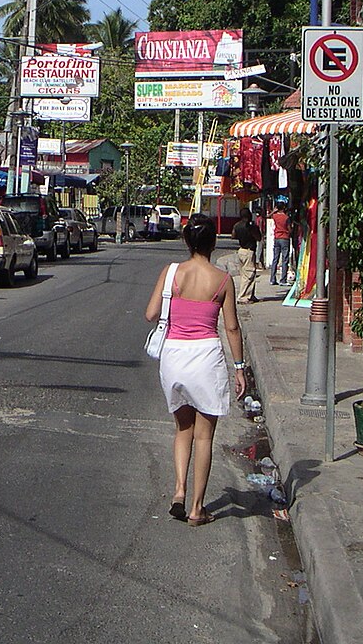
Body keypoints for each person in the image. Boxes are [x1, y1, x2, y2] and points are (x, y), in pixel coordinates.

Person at [145, 214, 246, 526]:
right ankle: (197, 508)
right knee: (205, 436)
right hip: (206, 358)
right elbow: (231, 328)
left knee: (182, 429)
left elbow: (151, 314)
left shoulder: (172, 272)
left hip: (174, 357)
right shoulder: (223, 280)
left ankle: (178, 490)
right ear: (213, 243)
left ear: (187, 241)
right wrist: (240, 368)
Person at [232, 209, 260, 303]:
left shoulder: (237, 225)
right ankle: (243, 297)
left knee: (245, 274)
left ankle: (251, 295)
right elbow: (258, 237)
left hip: (241, 250)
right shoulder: (251, 226)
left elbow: (233, 236)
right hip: (249, 251)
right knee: (248, 275)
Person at [269, 202, 291, 286]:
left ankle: (272, 279)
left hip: (277, 237)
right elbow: (289, 229)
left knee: (275, 259)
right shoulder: (286, 218)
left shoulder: (275, 216)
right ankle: (283, 280)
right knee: (285, 259)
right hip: (285, 237)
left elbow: (268, 216)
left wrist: (273, 211)